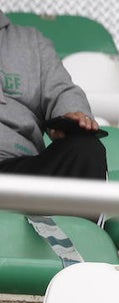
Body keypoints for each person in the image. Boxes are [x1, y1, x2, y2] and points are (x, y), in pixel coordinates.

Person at [0, 11, 105, 179]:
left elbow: (61, 91)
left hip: (19, 168)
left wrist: (71, 116)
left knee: (86, 149)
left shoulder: (31, 42)